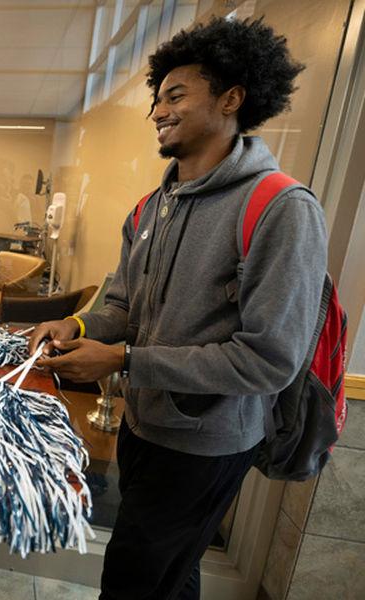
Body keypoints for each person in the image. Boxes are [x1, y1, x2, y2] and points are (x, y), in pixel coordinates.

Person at [29, 17, 326, 600]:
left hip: (207, 447)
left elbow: (269, 360)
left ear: (232, 99)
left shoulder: (281, 208)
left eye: (176, 95)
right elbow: (120, 304)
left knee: (134, 582)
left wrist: (123, 361)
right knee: (170, 574)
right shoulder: (149, 209)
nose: (158, 111)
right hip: (144, 429)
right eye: (156, 100)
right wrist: (77, 324)